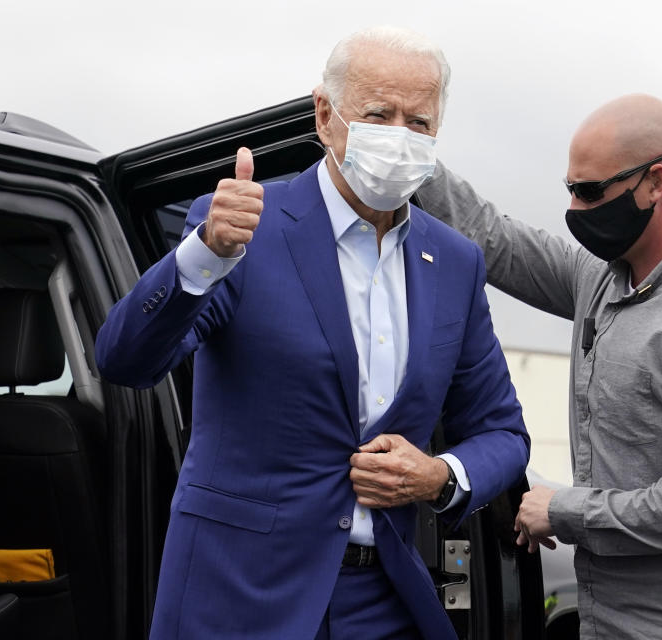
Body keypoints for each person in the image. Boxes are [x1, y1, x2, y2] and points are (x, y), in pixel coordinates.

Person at [95, 26, 529, 640]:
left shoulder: (455, 263)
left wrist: (439, 476)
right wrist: (202, 255)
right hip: (238, 596)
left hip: (384, 599)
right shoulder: (245, 228)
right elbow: (123, 361)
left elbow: (503, 433)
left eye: (419, 123)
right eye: (379, 114)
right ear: (325, 116)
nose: (400, 138)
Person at [415, 94, 662, 639]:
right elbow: (492, 235)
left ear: (658, 182)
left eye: (591, 192)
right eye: (570, 190)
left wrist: (562, 510)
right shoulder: (600, 280)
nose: (577, 211)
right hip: (605, 622)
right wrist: (403, 145)